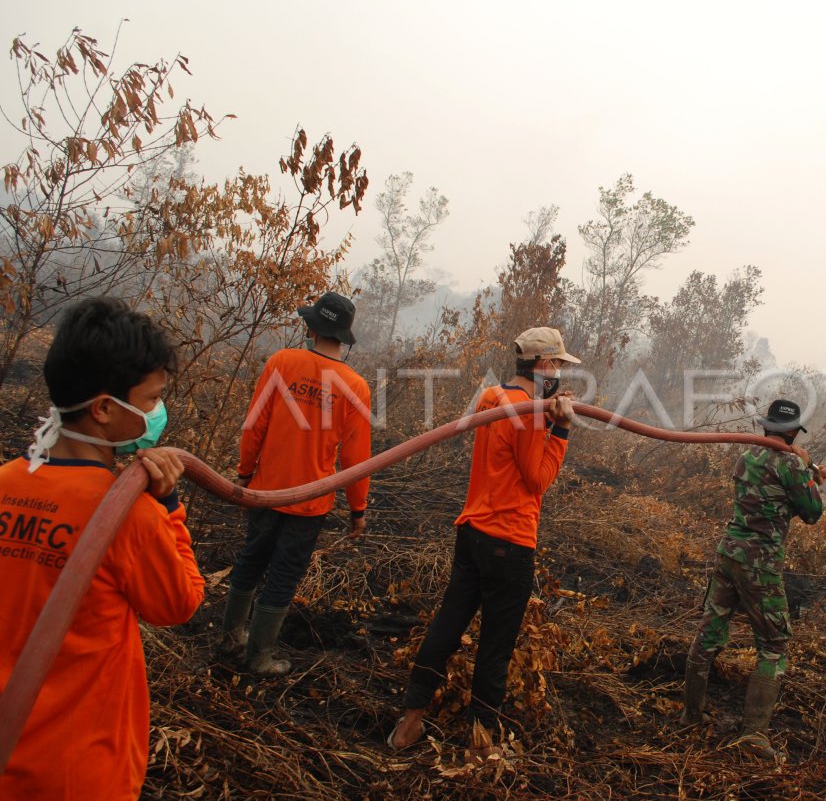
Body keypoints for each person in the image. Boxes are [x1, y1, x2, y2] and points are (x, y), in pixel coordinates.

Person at [0, 297, 205, 799]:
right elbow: (179, 602)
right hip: (78, 770)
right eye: (153, 400)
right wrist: (169, 504)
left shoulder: (4, 483)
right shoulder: (128, 515)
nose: (158, 411)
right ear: (105, 409)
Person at [389, 327, 579, 755]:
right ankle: (480, 744)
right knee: (496, 644)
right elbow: (537, 480)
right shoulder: (528, 411)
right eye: (559, 366)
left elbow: (509, 441)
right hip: (509, 542)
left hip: (472, 533)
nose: (561, 374)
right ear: (544, 365)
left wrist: (545, 414)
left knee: (447, 626)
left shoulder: (493, 397)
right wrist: (561, 431)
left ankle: (409, 725)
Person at [221, 292, 372, 675]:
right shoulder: (355, 386)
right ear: (343, 336)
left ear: (311, 327)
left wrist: (243, 474)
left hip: (265, 491)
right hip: (310, 503)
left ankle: (230, 639)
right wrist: (358, 510)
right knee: (284, 576)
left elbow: (254, 425)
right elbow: (355, 460)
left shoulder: (281, 362)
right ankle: (259, 657)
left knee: (250, 561)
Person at [680, 398, 826, 762]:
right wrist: (811, 477)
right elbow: (812, 513)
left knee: (709, 632)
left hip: (729, 555)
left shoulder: (747, 459)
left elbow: (769, 501)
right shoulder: (792, 464)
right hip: (759, 566)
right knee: (775, 645)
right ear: (792, 432)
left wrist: (805, 474)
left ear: (766, 427)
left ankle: (689, 716)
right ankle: (753, 738)